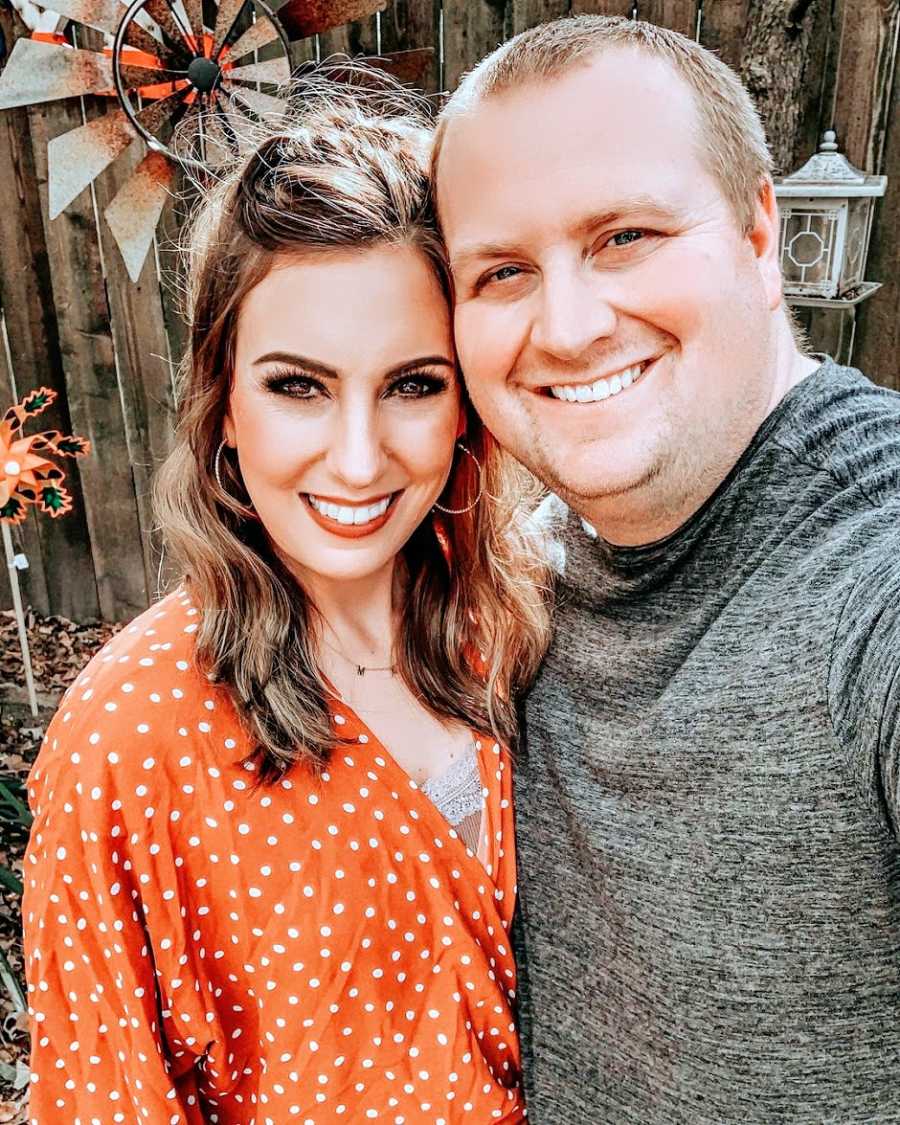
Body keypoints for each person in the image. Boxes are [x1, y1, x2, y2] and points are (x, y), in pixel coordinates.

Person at [21, 73, 549, 1124]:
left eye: (413, 384)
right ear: (221, 404)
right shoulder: (132, 731)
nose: (358, 460)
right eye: (298, 385)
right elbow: (104, 1096)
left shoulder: (523, 631)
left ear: (467, 409)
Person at [433, 14, 900, 1124]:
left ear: (757, 233)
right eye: (501, 271)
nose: (570, 323)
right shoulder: (514, 583)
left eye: (625, 236)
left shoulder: (870, 572)